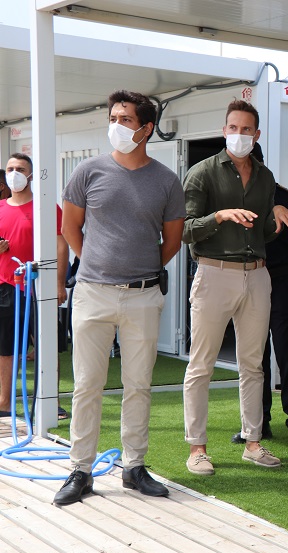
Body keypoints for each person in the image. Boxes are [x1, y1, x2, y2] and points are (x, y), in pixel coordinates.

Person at [55, 90, 185, 505]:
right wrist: (97, 264)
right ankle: (81, 470)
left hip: (143, 296)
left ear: (146, 128)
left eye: (125, 119)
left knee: (138, 385)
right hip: (92, 293)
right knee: (86, 385)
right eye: (112, 118)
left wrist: (137, 268)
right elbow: (70, 229)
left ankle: (134, 467)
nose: (116, 125)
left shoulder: (166, 180)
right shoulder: (88, 172)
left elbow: (172, 240)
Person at [181, 99, 288, 475]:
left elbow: (263, 231)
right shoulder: (201, 173)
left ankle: (253, 443)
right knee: (201, 364)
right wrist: (220, 216)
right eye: (233, 128)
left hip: (258, 275)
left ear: (256, 134)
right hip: (214, 272)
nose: (239, 134)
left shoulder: (265, 178)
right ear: (224, 130)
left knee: (253, 364)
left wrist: (275, 214)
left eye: (246, 129)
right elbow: (184, 229)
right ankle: (197, 449)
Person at [229, 144, 288, 448]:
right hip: (245, 281)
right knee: (253, 356)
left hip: (280, 280)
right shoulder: (231, 199)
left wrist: (285, 270)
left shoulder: (286, 198)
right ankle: (257, 423)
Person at [0, 154, 67, 417]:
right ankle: (4, 403)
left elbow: (61, 245)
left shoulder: (45, 208)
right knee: (5, 347)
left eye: (20, 169)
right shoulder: (0, 208)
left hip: (39, 286)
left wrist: (59, 284)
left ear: (30, 175)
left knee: (46, 345)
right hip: (6, 286)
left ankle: (50, 401)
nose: (14, 173)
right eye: (10, 169)